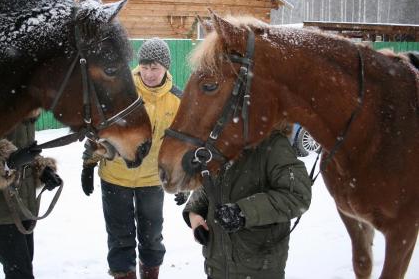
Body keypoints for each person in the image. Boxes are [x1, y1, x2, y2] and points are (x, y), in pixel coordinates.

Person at [81, 38, 186, 279]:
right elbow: (100, 132)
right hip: (115, 178)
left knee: (152, 238)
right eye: (145, 67)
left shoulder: (177, 100)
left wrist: (181, 179)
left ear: (166, 67)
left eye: (155, 68)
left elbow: (179, 146)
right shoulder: (120, 91)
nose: (149, 73)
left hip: (152, 181)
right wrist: (88, 165)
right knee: (120, 238)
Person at [183, 125, 312, 279]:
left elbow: (297, 195)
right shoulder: (221, 143)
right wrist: (194, 214)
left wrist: (243, 212)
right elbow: (208, 184)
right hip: (217, 267)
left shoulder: (274, 144)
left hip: (258, 269)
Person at [0, 109, 62, 279]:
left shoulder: (27, 106)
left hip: (23, 204)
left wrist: (43, 170)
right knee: (20, 273)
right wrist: (7, 163)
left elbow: (26, 154)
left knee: (23, 268)